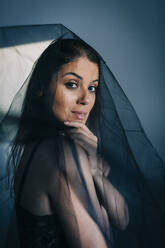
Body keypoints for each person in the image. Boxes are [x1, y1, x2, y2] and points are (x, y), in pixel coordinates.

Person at [8, 38, 129, 248]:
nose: (85, 99)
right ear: (41, 87)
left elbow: (122, 220)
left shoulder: (37, 143)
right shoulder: (60, 152)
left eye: (92, 88)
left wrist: (94, 167)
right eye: (72, 84)